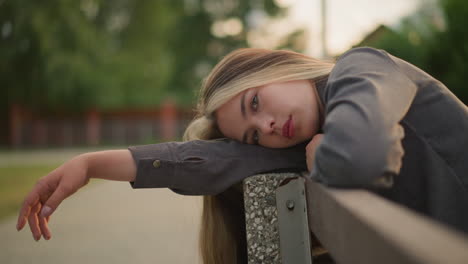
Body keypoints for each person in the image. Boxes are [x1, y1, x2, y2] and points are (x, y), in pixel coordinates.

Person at [16, 47, 468, 264]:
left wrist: (322, 158)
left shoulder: (362, 68)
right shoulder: (296, 141)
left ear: (278, 68)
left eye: (255, 102)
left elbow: (362, 155)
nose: (267, 126)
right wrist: (89, 165)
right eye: (254, 136)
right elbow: (212, 160)